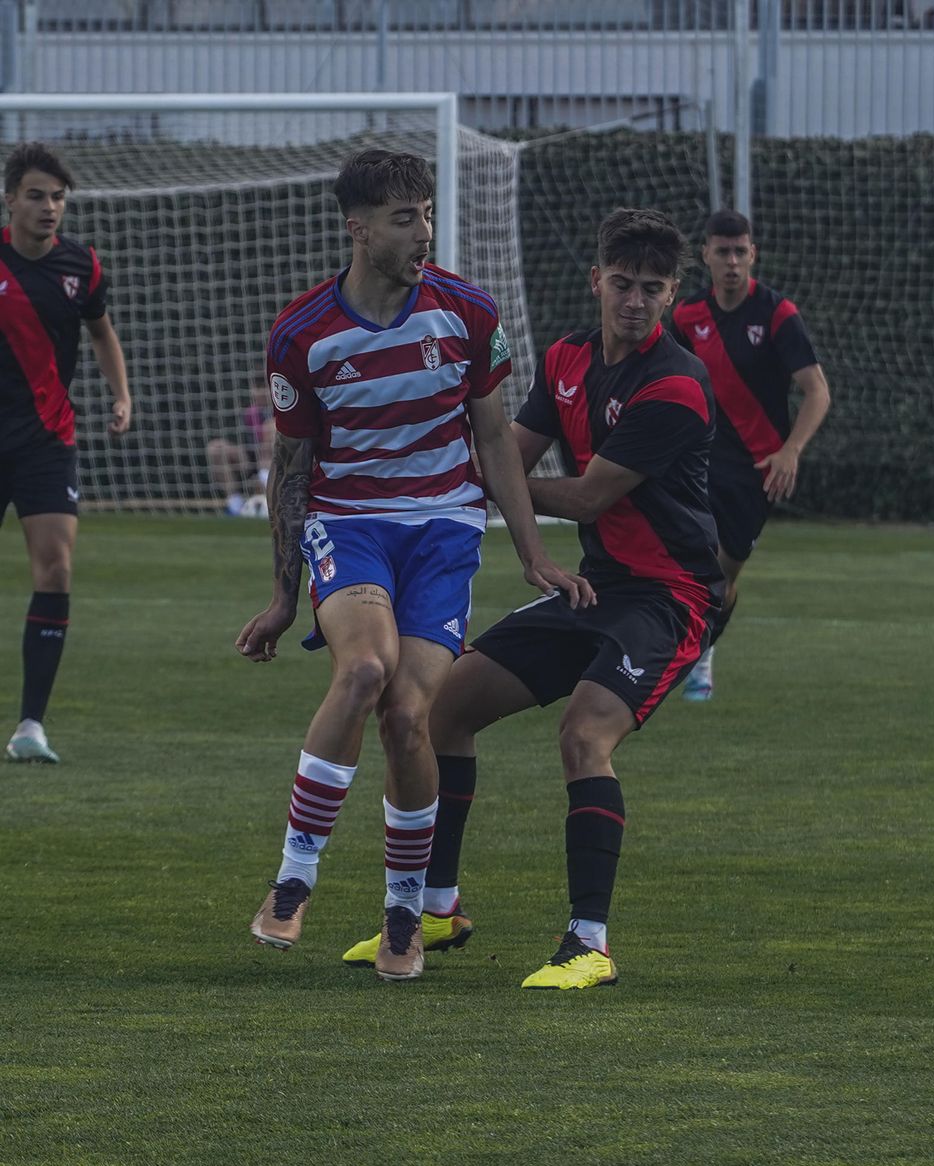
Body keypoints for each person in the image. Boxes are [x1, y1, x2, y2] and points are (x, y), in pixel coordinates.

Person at [341, 208, 722, 990]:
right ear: (596, 280)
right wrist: (429, 457)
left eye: (653, 289)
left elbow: (581, 497)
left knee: (584, 735)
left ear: (674, 293)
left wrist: (474, 475)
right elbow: (504, 451)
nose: (636, 301)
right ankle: (438, 907)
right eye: (623, 283)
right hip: (594, 586)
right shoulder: (568, 359)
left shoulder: (677, 384)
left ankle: (589, 942)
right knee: (440, 708)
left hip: (671, 598)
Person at [235, 149, 589, 983]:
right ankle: (294, 877)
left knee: (408, 716)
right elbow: (292, 472)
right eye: (404, 218)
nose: (422, 231)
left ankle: (405, 908)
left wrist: (532, 550)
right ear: (356, 230)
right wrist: (285, 596)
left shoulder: (467, 311)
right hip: (350, 525)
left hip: (443, 532)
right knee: (362, 670)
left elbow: (495, 438)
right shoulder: (302, 333)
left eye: (426, 213)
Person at [0, 144, 134, 765]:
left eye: (57, 197)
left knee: (55, 571)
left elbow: (102, 332)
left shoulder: (83, 266)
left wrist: (121, 395)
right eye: (36, 195)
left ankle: (31, 726)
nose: (48, 207)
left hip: (48, 442)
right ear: (10, 200)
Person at [668, 209, 829, 701]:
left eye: (741, 251)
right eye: (723, 252)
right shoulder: (685, 317)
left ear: (752, 254)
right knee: (685, 564)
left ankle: (704, 647)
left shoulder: (777, 314)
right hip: (698, 463)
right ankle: (675, 657)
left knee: (721, 576)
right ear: (706, 256)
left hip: (758, 472)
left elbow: (816, 391)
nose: (732, 261)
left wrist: (790, 451)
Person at [206, 379, 274, 516]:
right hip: (252, 457)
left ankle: (267, 489)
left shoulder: (283, 409)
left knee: (271, 427)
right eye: (256, 388)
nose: (258, 392)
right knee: (215, 448)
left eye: (263, 388)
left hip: (277, 461)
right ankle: (235, 504)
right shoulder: (251, 413)